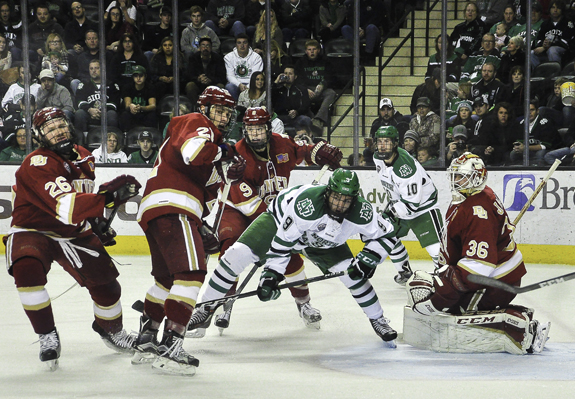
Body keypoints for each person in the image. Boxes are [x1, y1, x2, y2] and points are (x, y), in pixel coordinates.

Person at [190, 169, 401, 346]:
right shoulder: (306, 206)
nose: (339, 204)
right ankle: (206, 307)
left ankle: (378, 319)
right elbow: (282, 244)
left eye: (346, 200)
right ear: (328, 192)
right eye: (336, 197)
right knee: (234, 256)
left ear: (354, 199)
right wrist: (270, 276)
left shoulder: (362, 212)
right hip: (278, 221)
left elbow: (389, 234)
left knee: (355, 277)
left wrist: (370, 258)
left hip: (324, 242)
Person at [4, 106, 142, 370]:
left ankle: (111, 330)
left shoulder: (84, 157)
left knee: (108, 287)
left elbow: (79, 196)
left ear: (70, 126)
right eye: (50, 129)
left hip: (73, 232)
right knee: (27, 269)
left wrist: (97, 222)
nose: (57, 132)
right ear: (40, 136)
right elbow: (66, 206)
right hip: (33, 229)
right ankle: (46, 334)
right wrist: (109, 197)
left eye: (60, 126)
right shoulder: (37, 163)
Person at [187, 106, 343, 336]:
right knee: (231, 249)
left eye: (260, 129)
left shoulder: (282, 144)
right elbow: (250, 206)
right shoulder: (237, 155)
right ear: (245, 131)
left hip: (274, 211)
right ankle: (223, 306)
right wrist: (276, 230)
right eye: (251, 130)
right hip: (236, 209)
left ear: (268, 129)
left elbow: (302, 152)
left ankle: (304, 304)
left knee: (288, 253)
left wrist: (318, 152)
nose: (256, 135)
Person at [133, 86, 246, 375]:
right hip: (174, 204)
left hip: (163, 209)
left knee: (166, 279)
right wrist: (222, 153)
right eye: (218, 110)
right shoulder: (197, 122)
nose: (222, 116)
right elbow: (194, 152)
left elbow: (207, 191)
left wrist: (225, 175)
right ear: (205, 109)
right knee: (192, 274)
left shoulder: (211, 139)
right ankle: (172, 343)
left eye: (227, 112)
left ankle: (147, 337)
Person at [404, 152, 551, 355]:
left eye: (461, 176)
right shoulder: (470, 196)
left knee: (456, 311)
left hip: (495, 280)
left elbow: (478, 268)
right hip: (493, 275)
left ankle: (522, 328)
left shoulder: (477, 209)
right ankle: (513, 314)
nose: (456, 181)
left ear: (478, 177)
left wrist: (444, 294)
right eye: (454, 175)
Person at [372, 125, 442, 282]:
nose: (382, 146)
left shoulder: (405, 168)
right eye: (380, 141)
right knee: (385, 233)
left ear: (395, 143)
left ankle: (446, 278)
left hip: (423, 207)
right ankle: (404, 273)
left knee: (435, 249)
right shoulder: (377, 157)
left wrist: (389, 213)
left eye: (387, 142)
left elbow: (411, 206)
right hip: (400, 204)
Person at [295, 39, 336, 132]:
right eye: (309, 50)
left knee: (331, 93)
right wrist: (306, 89)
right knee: (299, 93)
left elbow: (331, 77)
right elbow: (297, 79)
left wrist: (323, 84)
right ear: (306, 51)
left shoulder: (326, 61)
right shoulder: (300, 62)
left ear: (318, 50)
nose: (312, 52)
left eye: (314, 49)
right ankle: (311, 120)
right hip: (307, 90)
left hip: (321, 89)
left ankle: (318, 119)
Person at [74, 59, 120, 132]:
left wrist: (102, 111)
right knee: (79, 113)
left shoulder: (111, 85)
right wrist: (90, 110)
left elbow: (114, 103)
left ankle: (111, 138)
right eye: (91, 68)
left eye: (96, 68)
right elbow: (79, 101)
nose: (93, 71)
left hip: (106, 114)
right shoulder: (84, 84)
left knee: (112, 114)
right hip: (89, 114)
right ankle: (82, 139)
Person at [511, 99, 560, 165]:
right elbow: (519, 141)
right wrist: (518, 147)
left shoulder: (545, 123)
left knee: (540, 154)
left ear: (537, 111)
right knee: (513, 153)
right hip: (529, 151)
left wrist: (526, 148)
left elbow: (545, 146)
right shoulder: (520, 124)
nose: (529, 113)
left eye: (532, 110)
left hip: (549, 150)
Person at [531, 0, 574, 70]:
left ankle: (555, 74)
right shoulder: (545, 24)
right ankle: (540, 72)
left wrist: (548, 45)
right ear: (550, 9)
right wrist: (543, 44)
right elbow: (539, 39)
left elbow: (566, 42)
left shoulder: (567, 22)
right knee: (532, 53)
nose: (555, 10)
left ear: (562, 9)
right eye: (553, 7)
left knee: (552, 50)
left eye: (558, 8)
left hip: (562, 50)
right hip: (545, 49)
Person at [185, 36, 227, 105]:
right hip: (198, 84)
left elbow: (222, 77)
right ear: (199, 47)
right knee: (190, 86)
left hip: (212, 84)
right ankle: (195, 107)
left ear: (211, 48)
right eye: (203, 45)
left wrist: (210, 80)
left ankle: (214, 108)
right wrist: (198, 78)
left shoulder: (218, 58)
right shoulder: (193, 58)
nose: (205, 48)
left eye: (208, 46)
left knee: (221, 86)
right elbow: (189, 75)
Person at [224, 33, 263, 101]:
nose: (242, 46)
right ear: (236, 45)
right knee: (229, 86)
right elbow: (230, 76)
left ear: (248, 44)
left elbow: (255, 76)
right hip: (236, 84)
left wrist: (247, 87)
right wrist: (239, 85)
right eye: (239, 43)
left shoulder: (256, 57)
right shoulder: (228, 57)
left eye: (244, 43)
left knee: (258, 84)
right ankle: (236, 107)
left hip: (251, 84)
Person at [119, 65, 157, 131]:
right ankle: (126, 134)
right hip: (132, 113)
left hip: (145, 113)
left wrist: (141, 108)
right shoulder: (127, 87)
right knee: (125, 114)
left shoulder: (150, 87)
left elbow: (153, 106)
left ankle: (150, 134)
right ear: (133, 77)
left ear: (145, 76)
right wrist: (131, 106)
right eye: (136, 76)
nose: (138, 78)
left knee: (152, 115)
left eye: (141, 76)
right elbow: (127, 105)